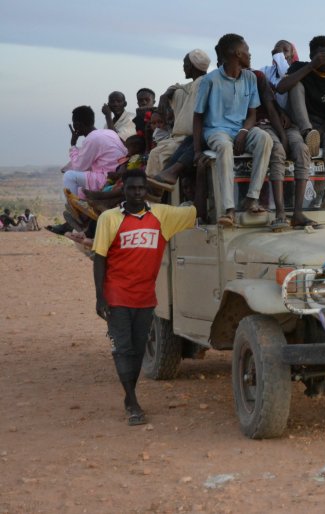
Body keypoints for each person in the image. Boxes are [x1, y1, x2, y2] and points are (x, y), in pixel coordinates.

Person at [92, 169, 197, 425]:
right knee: (123, 349)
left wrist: (199, 172)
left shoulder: (161, 215)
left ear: (146, 190)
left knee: (138, 351)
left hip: (145, 297)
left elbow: (195, 212)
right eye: (132, 188)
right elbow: (99, 258)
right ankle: (132, 401)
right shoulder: (109, 219)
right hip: (116, 296)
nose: (137, 193)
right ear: (123, 190)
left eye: (141, 188)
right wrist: (100, 297)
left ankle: (130, 395)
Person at [193, 33, 272, 227]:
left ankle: (251, 198)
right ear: (237, 54)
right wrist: (196, 151)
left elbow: (252, 114)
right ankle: (228, 209)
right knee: (224, 148)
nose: (249, 55)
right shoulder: (210, 80)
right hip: (216, 131)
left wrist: (244, 132)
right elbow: (198, 116)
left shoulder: (250, 78)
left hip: (240, 129)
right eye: (247, 51)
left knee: (264, 138)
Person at [277, 35, 325, 207]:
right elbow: (281, 87)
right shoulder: (299, 68)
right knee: (296, 85)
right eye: (324, 56)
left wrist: (320, 132)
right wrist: (311, 66)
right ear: (313, 56)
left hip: (323, 126)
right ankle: (307, 132)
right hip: (298, 125)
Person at [251, 67, 314, 230]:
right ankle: (280, 213)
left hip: (285, 125)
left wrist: (283, 117)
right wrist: (283, 136)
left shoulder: (263, 79)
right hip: (263, 125)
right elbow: (269, 109)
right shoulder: (252, 78)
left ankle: (298, 213)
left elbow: (274, 105)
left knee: (302, 149)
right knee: (277, 150)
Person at [145, 49, 211, 187]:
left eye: (185, 64)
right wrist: (164, 96)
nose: (183, 67)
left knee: (158, 155)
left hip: (194, 137)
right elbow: (176, 87)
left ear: (192, 66)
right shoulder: (189, 86)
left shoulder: (203, 83)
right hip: (181, 138)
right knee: (156, 153)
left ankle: (152, 195)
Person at [60, 106, 128, 200]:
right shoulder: (109, 132)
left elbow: (78, 167)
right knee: (79, 187)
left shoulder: (92, 139)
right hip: (118, 173)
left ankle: (73, 208)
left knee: (69, 176)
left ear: (77, 125)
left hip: (108, 178)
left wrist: (73, 145)